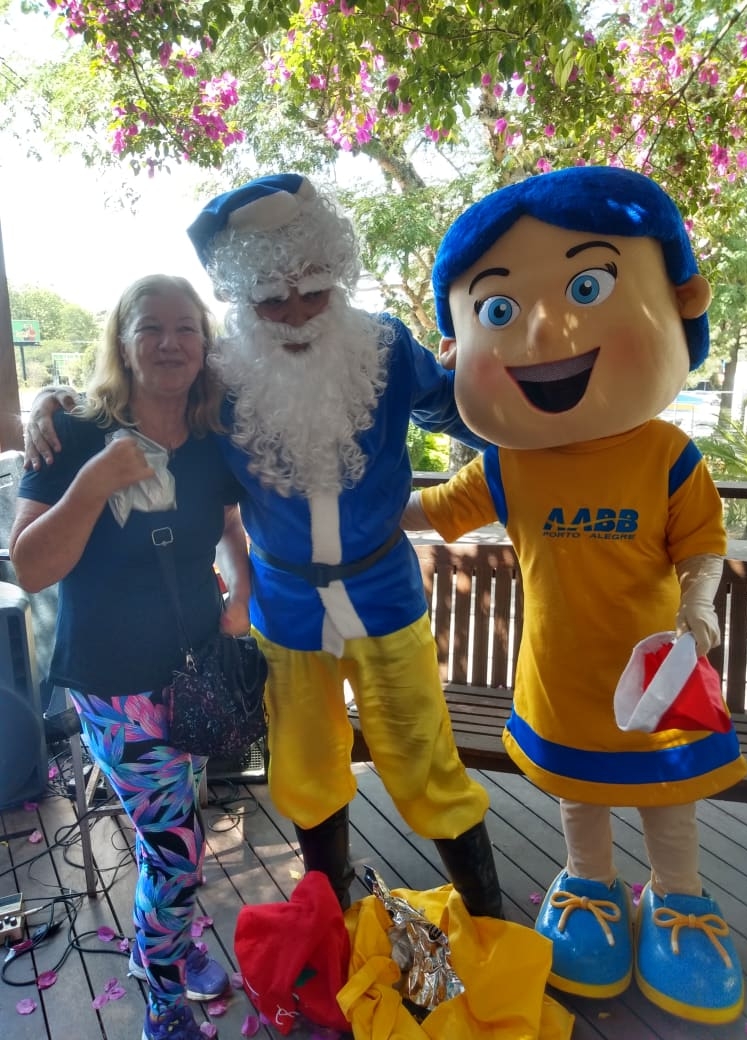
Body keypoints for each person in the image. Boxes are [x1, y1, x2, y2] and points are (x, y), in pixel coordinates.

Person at [24, 175, 505, 923]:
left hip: (386, 595)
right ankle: (328, 925)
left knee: (427, 763)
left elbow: (472, 411)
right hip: (287, 610)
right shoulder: (223, 376)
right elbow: (137, 395)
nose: (297, 312)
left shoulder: (385, 347)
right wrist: (49, 404)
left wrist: (528, 406)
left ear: (336, 276)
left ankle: (490, 921)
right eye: (272, 299)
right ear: (244, 302)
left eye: (313, 289)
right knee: (306, 772)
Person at [402, 166, 747, 1025]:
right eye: (498, 309)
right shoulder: (508, 462)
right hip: (560, 674)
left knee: (669, 796)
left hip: (658, 675)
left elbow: (702, 544)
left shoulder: (666, 453)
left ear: (680, 301)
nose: (546, 330)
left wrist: (699, 605)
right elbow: (431, 512)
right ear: (455, 345)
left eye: (587, 288)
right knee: (580, 796)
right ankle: (591, 885)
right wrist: (333, 503)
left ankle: (677, 895)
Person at [11, 274, 252, 1040]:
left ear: (205, 343)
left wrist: (242, 591)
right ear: (122, 340)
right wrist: (92, 485)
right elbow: (31, 567)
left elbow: (229, 529)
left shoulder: (213, 436)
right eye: (151, 327)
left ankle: (169, 949)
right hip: (113, 684)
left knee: (173, 833)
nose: (170, 343)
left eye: (186, 328)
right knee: (176, 849)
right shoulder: (71, 433)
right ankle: (162, 999)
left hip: (197, 675)